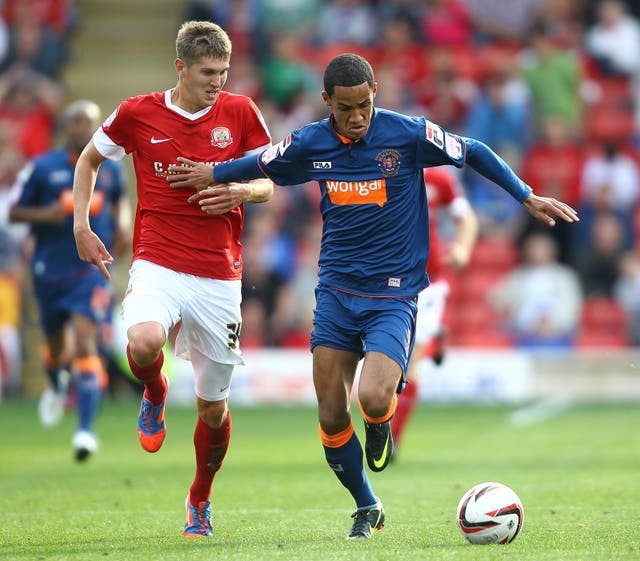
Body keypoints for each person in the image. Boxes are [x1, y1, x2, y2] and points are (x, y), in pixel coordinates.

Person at [167, 53, 579, 539]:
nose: (358, 116)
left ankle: (381, 423)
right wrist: (213, 174)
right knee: (329, 412)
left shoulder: (407, 134)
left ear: (375, 92)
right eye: (346, 108)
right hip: (337, 292)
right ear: (327, 103)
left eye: (365, 104)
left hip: (393, 294)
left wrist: (525, 194)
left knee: (374, 397)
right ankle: (367, 504)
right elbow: (260, 162)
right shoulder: (310, 143)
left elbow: (474, 150)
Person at [72, 21, 273, 538]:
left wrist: (240, 192)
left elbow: (270, 179)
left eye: (223, 72)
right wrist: (81, 224)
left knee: (212, 409)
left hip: (219, 275)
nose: (217, 83)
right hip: (158, 260)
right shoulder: (138, 113)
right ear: (180, 66)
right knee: (141, 343)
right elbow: (90, 158)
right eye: (208, 72)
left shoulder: (240, 112)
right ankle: (155, 390)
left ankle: (199, 498)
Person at [8, 99, 128, 460]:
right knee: (58, 348)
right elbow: (13, 210)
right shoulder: (42, 168)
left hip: (89, 272)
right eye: (77, 121)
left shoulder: (109, 170)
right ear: (65, 127)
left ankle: (85, 432)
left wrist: (122, 224)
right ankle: (57, 380)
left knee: (87, 342)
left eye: (90, 122)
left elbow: (120, 202)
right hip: (50, 270)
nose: (84, 127)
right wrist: (47, 213)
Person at [390, 166, 478, 455]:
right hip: (385, 279)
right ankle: (434, 343)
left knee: (409, 361)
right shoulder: (378, 171)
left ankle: (393, 439)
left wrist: (462, 249)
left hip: (429, 280)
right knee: (390, 362)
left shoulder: (440, 179)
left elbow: (465, 217)